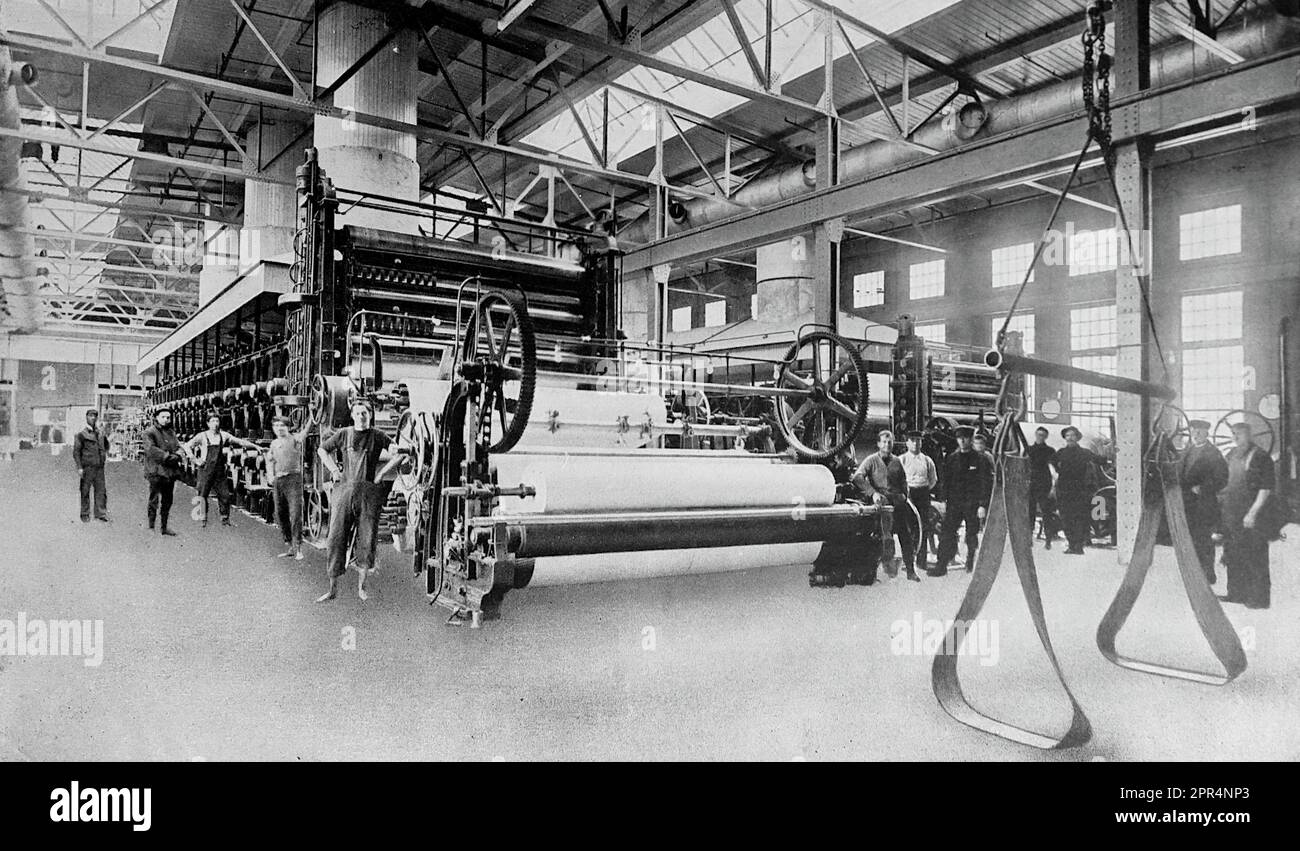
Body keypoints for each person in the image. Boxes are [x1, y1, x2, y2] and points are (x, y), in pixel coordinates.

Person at [316, 399, 405, 602]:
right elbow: (322, 450)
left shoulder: (377, 435)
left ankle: (362, 588)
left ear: (370, 415)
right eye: (357, 413)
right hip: (344, 492)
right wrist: (334, 470)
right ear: (352, 415)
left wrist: (382, 474)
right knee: (335, 539)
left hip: (368, 494)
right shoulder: (344, 434)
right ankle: (332, 589)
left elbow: (399, 452)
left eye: (364, 413)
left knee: (367, 539)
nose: (361, 417)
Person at [1219, 421, 1274, 609]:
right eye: (1233, 433)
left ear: (1249, 435)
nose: (1235, 437)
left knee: (1254, 555)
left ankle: (1258, 599)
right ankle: (1235, 594)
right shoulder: (1231, 455)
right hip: (1232, 513)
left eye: (1239, 434)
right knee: (1233, 554)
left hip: (1252, 516)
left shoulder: (1260, 456)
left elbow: (1265, 488)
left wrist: (1252, 513)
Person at [852, 430, 918, 581]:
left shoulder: (896, 461)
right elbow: (857, 477)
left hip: (898, 502)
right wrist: (872, 493)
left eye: (890, 442)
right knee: (883, 536)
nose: (887, 445)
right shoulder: (871, 460)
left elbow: (903, 481)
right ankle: (881, 570)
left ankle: (910, 570)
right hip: (881, 503)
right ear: (878, 444)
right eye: (884, 442)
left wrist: (904, 495)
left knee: (906, 535)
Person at [182, 411, 263, 528]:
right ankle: (202, 520)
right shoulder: (202, 436)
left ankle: (225, 520)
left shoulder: (223, 435)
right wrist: (195, 460)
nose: (215, 424)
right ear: (208, 423)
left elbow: (239, 441)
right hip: (205, 470)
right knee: (202, 494)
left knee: (225, 495)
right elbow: (187, 446)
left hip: (219, 471)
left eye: (217, 421)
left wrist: (255, 446)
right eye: (212, 421)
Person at [932, 425, 993, 576]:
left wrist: (982, 505)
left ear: (971, 439)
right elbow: (946, 481)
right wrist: (943, 500)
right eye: (960, 438)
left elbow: (986, 483)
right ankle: (942, 565)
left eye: (966, 438)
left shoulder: (980, 459)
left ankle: (970, 559)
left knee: (971, 534)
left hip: (973, 504)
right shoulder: (952, 458)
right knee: (947, 532)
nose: (962, 441)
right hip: (955, 503)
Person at [1180, 419, 1229, 583]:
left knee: (1204, 542)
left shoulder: (1213, 453)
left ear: (1207, 432)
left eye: (1200, 431)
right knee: (1190, 541)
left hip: (1204, 504)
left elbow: (1222, 478)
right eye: (1194, 430)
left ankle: (1207, 574)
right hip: (1187, 504)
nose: (1196, 434)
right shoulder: (1188, 450)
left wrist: (1203, 488)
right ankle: (1194, 574)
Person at [267, 415, 310, 559]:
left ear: (287, 427)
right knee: (280, 514)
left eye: (282, 425)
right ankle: (290, 545)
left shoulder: (295, 439)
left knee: (296, 513)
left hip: (293, 479)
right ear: (273, 428)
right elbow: (270, 460)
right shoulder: (273, 443)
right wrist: (270, 476)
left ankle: (298, 547)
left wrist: (311, 415)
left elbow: (306, 431)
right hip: (279, 481)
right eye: (277, 425)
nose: (279, 428)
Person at [1055, 425, 1100, 554]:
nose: (1070, 438)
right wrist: (1055, 474)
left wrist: (1118, 449)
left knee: (1079, 518)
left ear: (1077, 438)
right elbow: (1049, 463)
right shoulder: (1061, 453)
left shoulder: (1085, 453)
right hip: (1063, 490)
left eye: (1073, 435)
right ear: (1065, 438)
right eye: (1068, 435)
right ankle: (1071, 545)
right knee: (1065, 518)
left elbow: (1100, 460)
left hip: (1079, 491)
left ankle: (1078, 547)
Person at [142, 407, 184, 536]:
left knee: (167, 500)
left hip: (169, 472)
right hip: (156, 471)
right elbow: (151, 450)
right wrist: (169, 457)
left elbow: (178, 447)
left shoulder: (171, 432)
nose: (166, 420)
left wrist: (178, 454)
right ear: (156, 418)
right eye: (163, 417)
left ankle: (164, 527)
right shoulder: (149, 432)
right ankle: (151, 527)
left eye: (168, 417)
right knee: (154, 500)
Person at [900, 430, 938, 571]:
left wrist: (924, 490)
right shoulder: (902, 459)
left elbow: (933, 480)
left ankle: (921, 561)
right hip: (908, 496)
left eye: (918, 440)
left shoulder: (927, 460)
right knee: (909, 528)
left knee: (923, 527)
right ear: (907, 443)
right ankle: (908, 561)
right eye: (912, 440)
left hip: (923, 494)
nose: (915, 443)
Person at [73, 408, 109, 523]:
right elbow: (76, 452)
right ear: (86, 418)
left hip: (99, 467)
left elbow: (106, 445)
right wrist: (79, 467)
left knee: (101, 491)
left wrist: (103, 455)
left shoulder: (100, 433)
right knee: (85, 491)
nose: (93, 418)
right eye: (90, 416)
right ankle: (85, 514)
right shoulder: (81, 435)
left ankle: (100, 514)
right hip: (87, 467)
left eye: (95, 416)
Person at [1026, 426, 1060, 549]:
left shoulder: (1050, 451)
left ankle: (1048, 540)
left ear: (1046, 437)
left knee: (1046, 513)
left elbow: (1055, 469)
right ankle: (1028, 539)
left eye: (1043, 435)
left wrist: (1053, 487)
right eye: (1039, 434)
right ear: (1035, 434)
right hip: (1030, 485)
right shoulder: (1028, 449)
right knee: (1030, 513)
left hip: (1044, 485)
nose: (1040, 437)